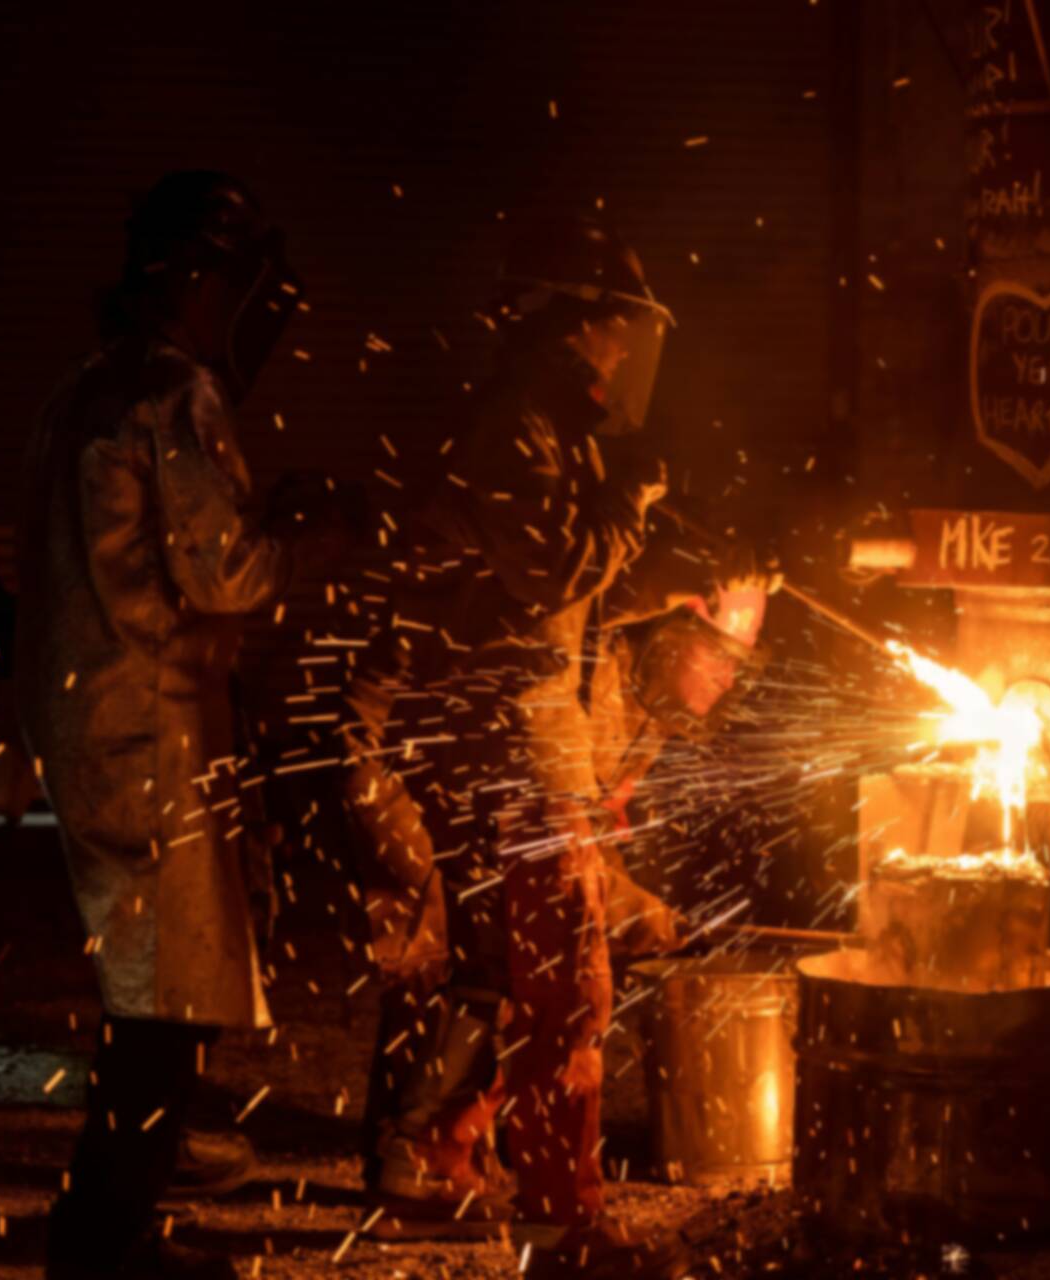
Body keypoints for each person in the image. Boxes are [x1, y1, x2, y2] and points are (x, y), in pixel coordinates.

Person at [338, 211, 770, 1278]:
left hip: (510, 748)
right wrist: (635, 491)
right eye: (616, 330)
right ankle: (563, 1229)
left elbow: (549, 590)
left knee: (516, 979)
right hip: (511, 755)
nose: (626, 356)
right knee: (566, 990)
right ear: (570, 324)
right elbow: (549, 571)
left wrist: (666, 581)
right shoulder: (515, 428)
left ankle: (440, 1157)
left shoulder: (541, 429)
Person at [18, 172, 356, 1279]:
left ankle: (112, 1231)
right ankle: (101, 1245)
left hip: (95, 728)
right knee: (162, 1016)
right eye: (239, 283)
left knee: (154, 1003)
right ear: (202, 279)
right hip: (153, 738)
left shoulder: (86, 390)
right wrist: (321, 540)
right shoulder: (175, 396)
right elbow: (225, 572)